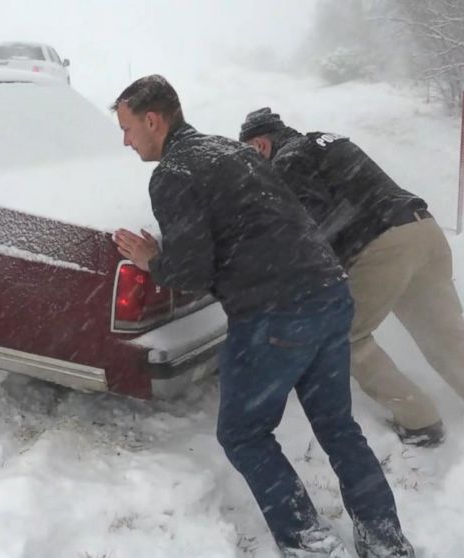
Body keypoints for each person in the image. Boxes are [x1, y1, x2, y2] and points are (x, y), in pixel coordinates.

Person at [112, 76, 414, 558]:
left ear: (153, 120)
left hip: (276, 312)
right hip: (330, 293)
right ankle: (385, 540)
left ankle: (310, 543)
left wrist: (153, 260)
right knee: (337, 426)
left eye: (127, 128)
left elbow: (191, 270)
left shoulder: (174, 173)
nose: (125, 140)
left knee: (243, 432)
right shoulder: (235, 154)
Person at [238, 107, 464, 451]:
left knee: (343, 336)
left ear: (259, 144)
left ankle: (419, 420)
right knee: (446, 335)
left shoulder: (289, 160)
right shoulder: (322, 141)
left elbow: (310, 225)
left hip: (384, 244)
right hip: (423, 229)